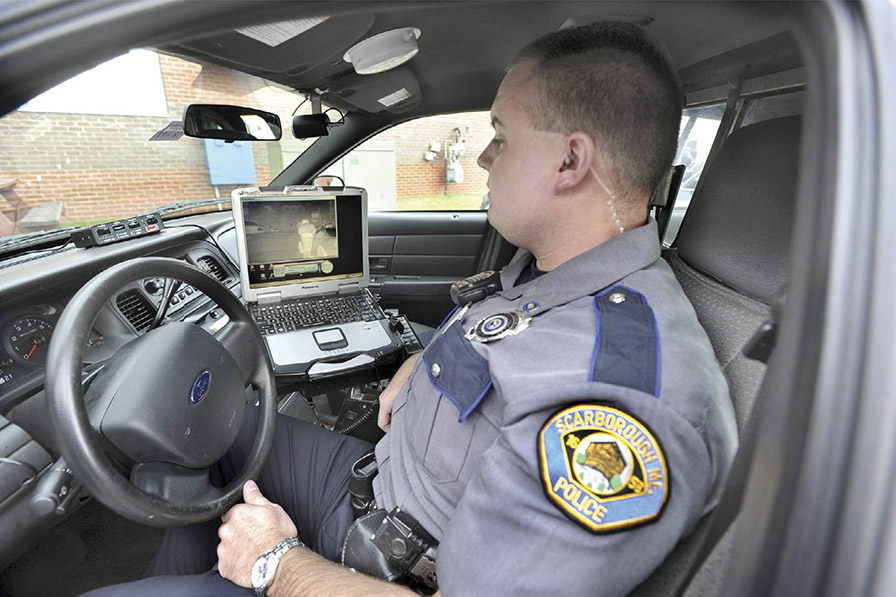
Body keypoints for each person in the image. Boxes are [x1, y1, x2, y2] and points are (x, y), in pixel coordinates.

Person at [86, 21, 736, 597]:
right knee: (224, 430)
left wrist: (274, 565)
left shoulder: (621, 403)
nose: (482, 156)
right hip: (376, 482)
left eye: (501, 138)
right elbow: (508, 349)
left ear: (570, 160)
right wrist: (428, 363)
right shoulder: (559, 273)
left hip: (392, 561)